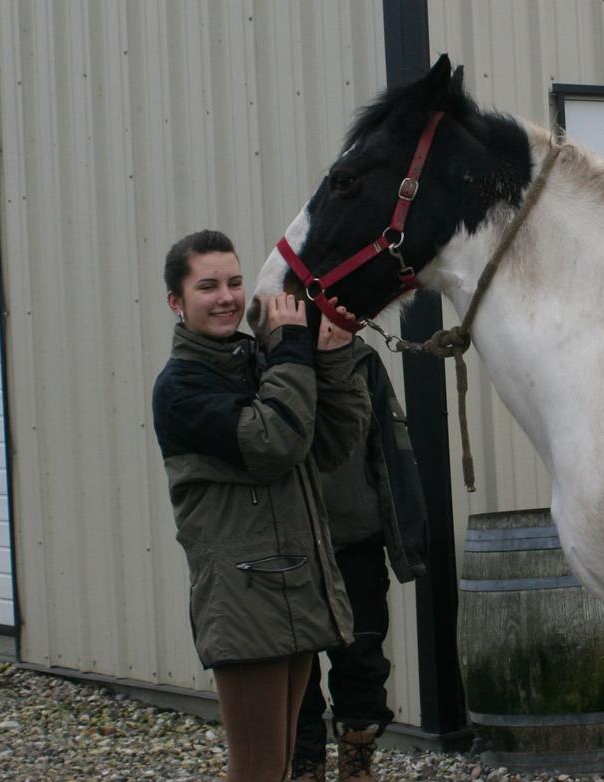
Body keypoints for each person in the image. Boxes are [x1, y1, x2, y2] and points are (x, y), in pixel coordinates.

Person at [151, 229, 370, 782]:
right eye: (207, 286)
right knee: (256, 771)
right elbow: (275, 444)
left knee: (278, 765)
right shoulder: (180, 388)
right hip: (245, 603)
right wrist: (292, 348)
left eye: (234, 282)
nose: (226, 297)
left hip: (291, 588)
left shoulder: (255, 362)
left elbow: (328, 444)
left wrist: (334, 359)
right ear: (176, 302)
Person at [292, 335, 429, 782]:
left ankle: (357, 763)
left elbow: (391, 448)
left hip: (354, 540)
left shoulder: (360, 359)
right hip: (289, 549)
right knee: (295, 671)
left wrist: (405, 543)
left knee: (362, 662)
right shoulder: (267, 358)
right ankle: (304, 764)